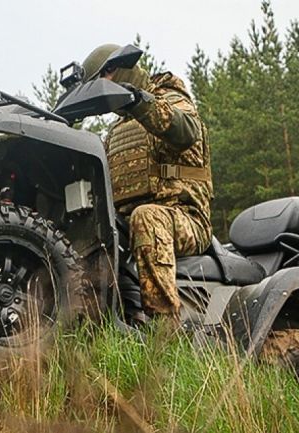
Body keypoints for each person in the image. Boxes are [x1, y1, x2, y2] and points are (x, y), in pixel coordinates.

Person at [82, 44, 213, 325]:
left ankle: (165, 331)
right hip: (129, 224)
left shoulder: (169, 97)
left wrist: (136, 101)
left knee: (147, 217)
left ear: (114, 70)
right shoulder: (118, 129)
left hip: (185, 218)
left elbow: (186, 130)